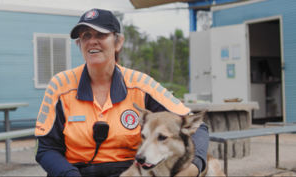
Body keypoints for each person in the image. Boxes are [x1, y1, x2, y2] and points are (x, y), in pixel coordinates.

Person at [34, 8, 209, 177]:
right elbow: (46, 149)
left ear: (118, 42)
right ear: (79, 44)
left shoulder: (141, 84)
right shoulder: (60, 84)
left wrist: (193, 168)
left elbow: (197, 128)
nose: (92, 41)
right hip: (73, 172)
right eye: (86, 35)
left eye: (101, 34)